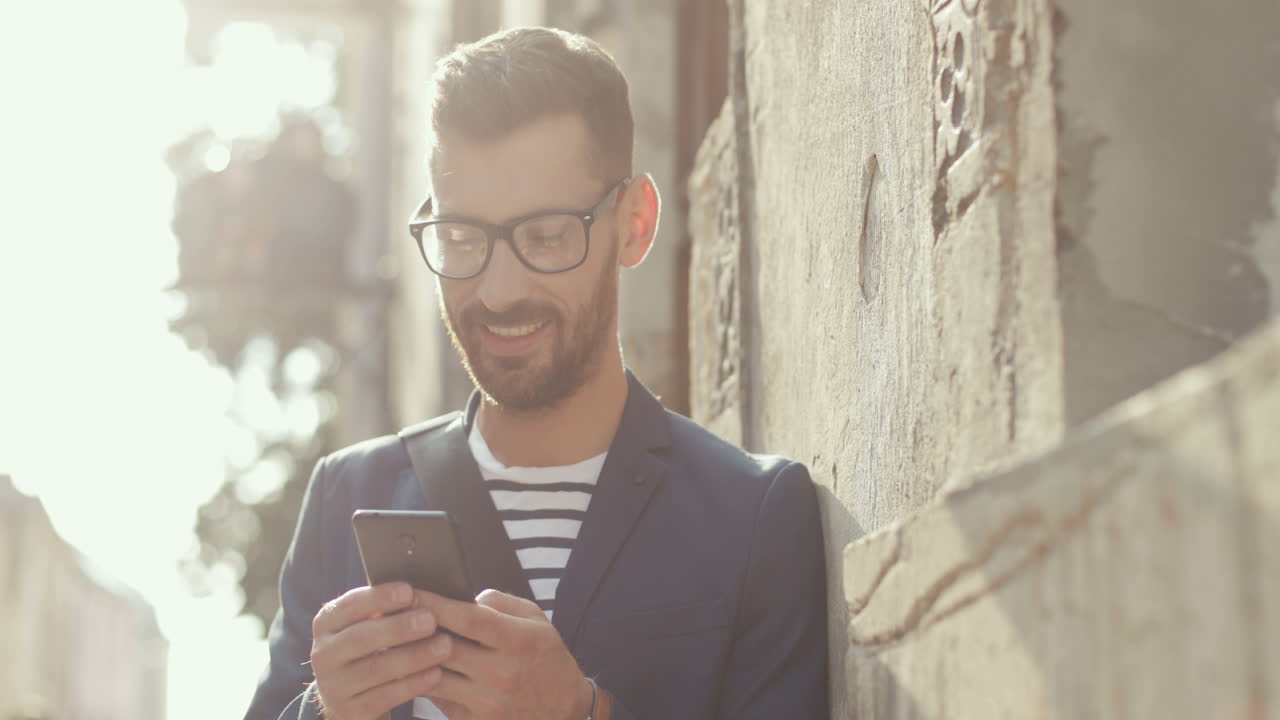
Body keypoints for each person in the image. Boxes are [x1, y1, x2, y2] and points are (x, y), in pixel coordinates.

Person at [244, 26, 829, 720]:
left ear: (635, 223)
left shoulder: (753, 518)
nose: (497, 291)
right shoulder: (348, 495)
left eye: (547, 236)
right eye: (462, 239)